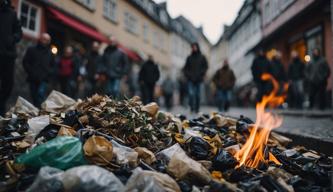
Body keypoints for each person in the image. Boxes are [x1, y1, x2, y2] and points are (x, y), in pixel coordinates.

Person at [0, 0, 22, 115]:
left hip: (8, 55)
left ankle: (1, 104)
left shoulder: (12, 14)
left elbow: (19, 32)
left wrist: (13, 38)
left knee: (8, 84)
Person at [23, 33, 53, 107]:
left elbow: (53, 65)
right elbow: (25, 62)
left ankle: (39, 115)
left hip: (44, 79)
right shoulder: (31, 49)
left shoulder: (50, 53)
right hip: (33, 78)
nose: (45, 41)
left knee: (40, 98)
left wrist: (48, 73)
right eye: (44, 39)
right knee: (33, 97)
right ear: (40, 39)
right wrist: (30, 72)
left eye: (47, 40)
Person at [182, 42, 208, 113]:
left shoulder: (202, 57)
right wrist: (188, 75)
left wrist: (202, 73)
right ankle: (191, 107)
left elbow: (205, 67)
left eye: (195, 47)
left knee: (198, 95)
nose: (193, 48)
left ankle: (197, 109)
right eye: (192, 47)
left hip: (199, 79)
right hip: (190, 79)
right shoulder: (189, 58)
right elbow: (185, 68)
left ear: (197, 47)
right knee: (191, 94)